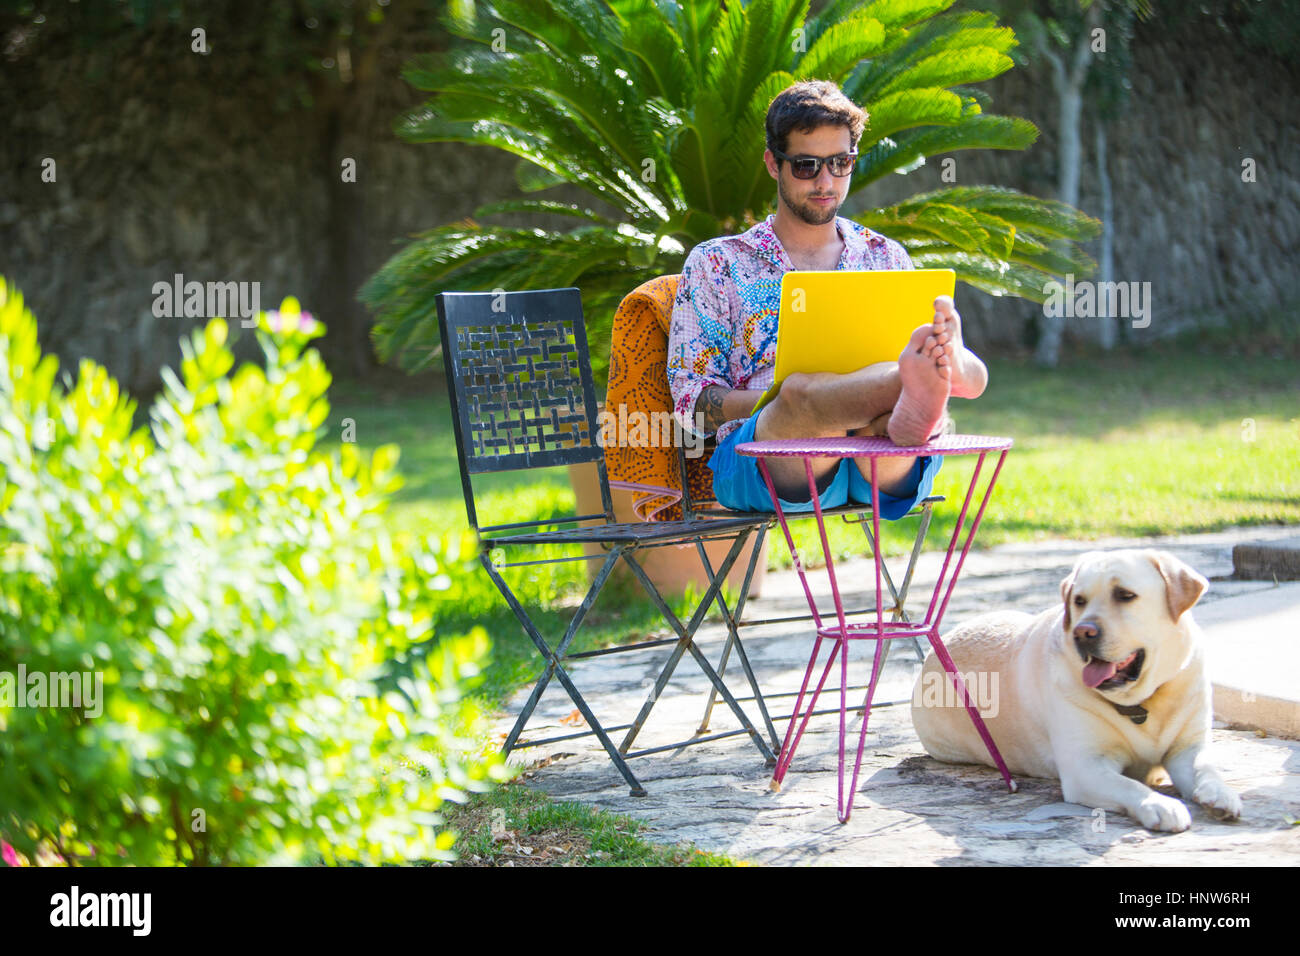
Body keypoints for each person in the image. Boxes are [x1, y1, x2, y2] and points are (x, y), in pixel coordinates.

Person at [667, 80, 989, 519]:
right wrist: (777, 400)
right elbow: (690, 402)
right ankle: (915, 381)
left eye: (841, 163)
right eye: (805, 166)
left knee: (886, 415)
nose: (825, 181)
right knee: (800, 393)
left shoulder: (884, 256)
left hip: (878, 459)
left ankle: (935, 372)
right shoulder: (717, 263)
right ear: (772, 164)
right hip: (766, 458)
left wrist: (932, 350)